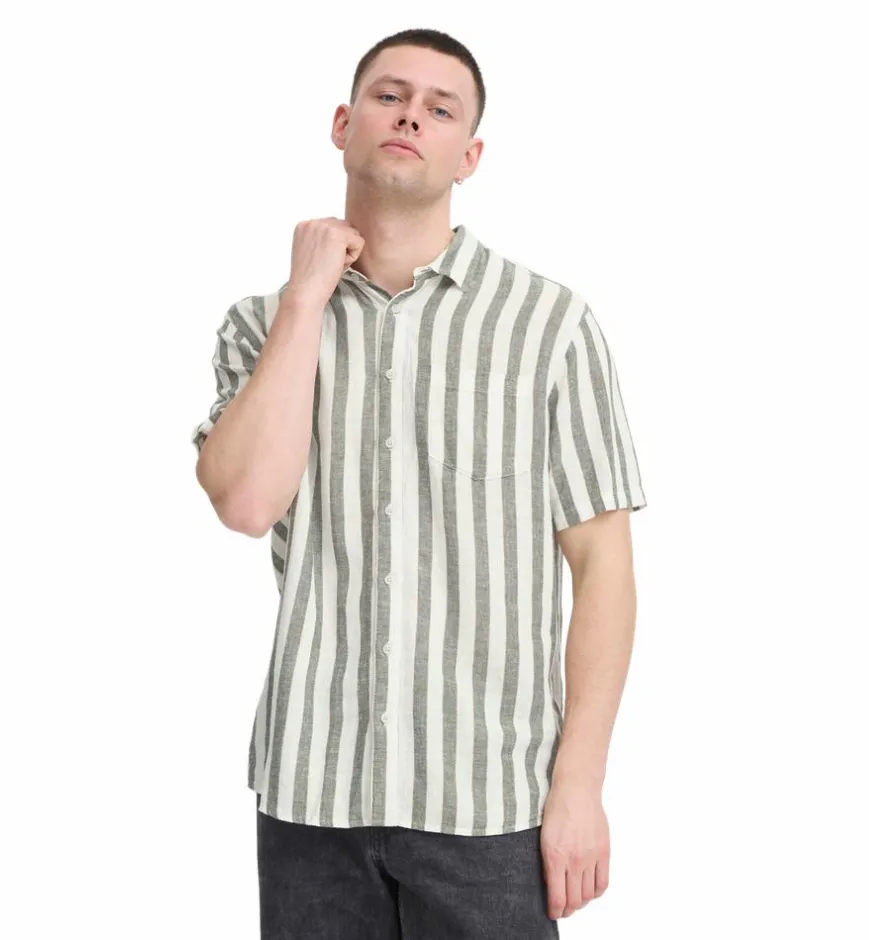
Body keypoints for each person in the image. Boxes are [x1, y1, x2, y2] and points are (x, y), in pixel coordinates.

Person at [191, 26, 647, 940]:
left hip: (491, 805)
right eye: (390, 96)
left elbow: (603, 566)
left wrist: (580, 783)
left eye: (441, 109)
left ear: (469, 156)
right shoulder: (261, 324)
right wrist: (305, 299)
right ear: (343, 123)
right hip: (312, 796)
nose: (410, 117)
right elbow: (246, 502)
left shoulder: (548, 325)